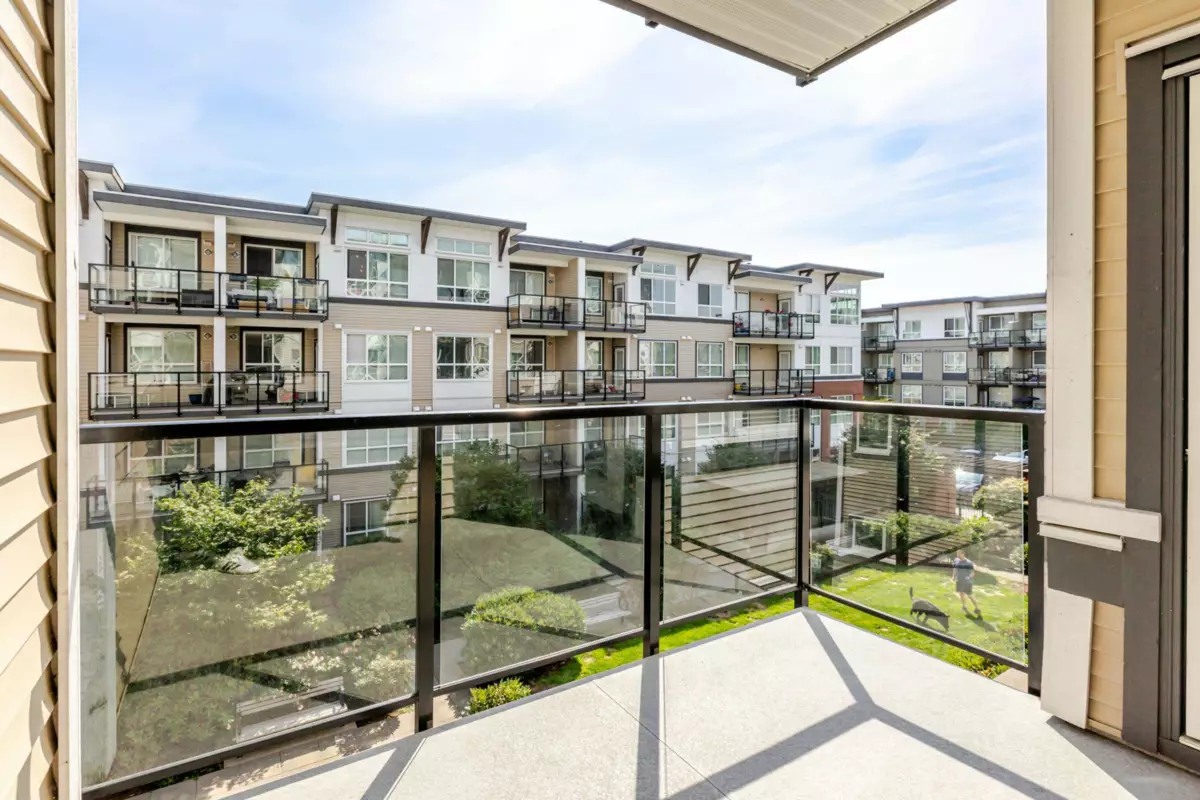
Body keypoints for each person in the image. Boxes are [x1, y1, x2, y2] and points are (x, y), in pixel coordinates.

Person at [953, 550, 980, 616]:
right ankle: (964, 606)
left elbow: (973, 573)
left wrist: (968, 577)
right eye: (957, 554)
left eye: (959, 554)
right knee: (961, 594)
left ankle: (977, 608)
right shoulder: (956, 560)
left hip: (967, 582)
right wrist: (953, 576)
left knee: (969, 595)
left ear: (963, 554)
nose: (958, 556)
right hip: (959, 580)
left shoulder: (968, 563)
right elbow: (955, 568)